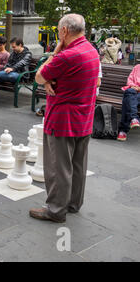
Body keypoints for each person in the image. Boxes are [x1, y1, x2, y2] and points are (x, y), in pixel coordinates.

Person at [30, 13, 100, 223]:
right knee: (78, 165)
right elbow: (95, 82)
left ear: (64, 31)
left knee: (58, 168)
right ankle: (73, 204)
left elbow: (39, 76)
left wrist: (54, 54)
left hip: (63, 119)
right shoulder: (91, 51)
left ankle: (55, 210)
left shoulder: (66, 56)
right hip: (84, 118)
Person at [0, 37, 32, 107]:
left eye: (14, 47)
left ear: (20, 45)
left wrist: (12, 68)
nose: (12, 49)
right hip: (8, 73)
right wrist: (2, 67)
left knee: (8, 75)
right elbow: (8, 64)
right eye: (12, 47)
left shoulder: (28, 54)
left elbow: (22, 63)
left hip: (21, 75)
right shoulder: (14, 53)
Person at [117, 64, 140, 141]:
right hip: (133, 91)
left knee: (128, 99)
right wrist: (133, 86)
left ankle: (123, 130)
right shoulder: (137, 67)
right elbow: (129, 80)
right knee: (129, 92)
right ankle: (134, 118)